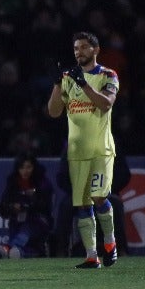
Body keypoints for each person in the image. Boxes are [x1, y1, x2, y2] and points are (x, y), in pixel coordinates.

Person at [47, 31, 120, 269]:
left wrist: (83, 84)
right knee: (82, 204)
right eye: (76, 48)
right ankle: (91, 256)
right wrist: (58, 84)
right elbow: (54, 112)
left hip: (101, 149)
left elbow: (106, 104)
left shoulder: (108, 75)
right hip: (77, 152)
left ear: (96, 50)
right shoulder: (68, 77)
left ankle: (109, 243)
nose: (79, 52)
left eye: (85, 47)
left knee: (99, 196)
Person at [0, 153, 53, 258]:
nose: (25, 171)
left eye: (28, 167)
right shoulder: (13, 181)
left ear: (34, 167)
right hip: (17, 220)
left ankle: (9, 247)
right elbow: (5, 202)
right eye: (22, 168)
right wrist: (12, 206)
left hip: (39, 220)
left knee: (28, 227)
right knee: (18, 231)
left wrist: (26, 205)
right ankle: (19, 252)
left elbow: (44, 204)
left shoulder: (42, 181)